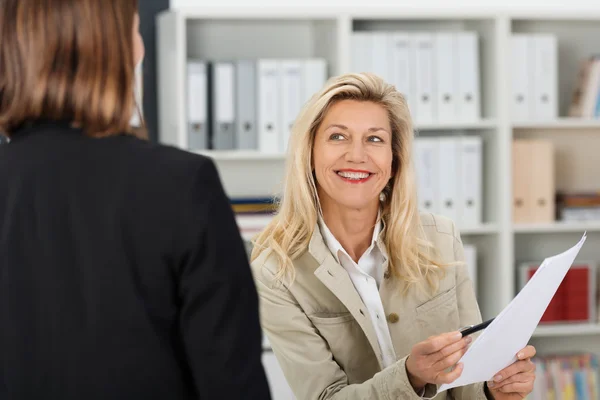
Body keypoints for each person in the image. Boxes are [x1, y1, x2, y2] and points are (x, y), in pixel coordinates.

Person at [0, 1, 270, 399]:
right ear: (116, 50)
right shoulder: (182, 184)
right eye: (135, 31)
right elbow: (232, 383)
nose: (140, 47)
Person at [250, 72, 536, 399]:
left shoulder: (441, 238)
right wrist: (410, 376)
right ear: (310, 153)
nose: (357, 155)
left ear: (394, 160)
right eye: (338, 137)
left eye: (374, 139)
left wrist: (493, 390)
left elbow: (467, 380)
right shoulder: (276, 272)